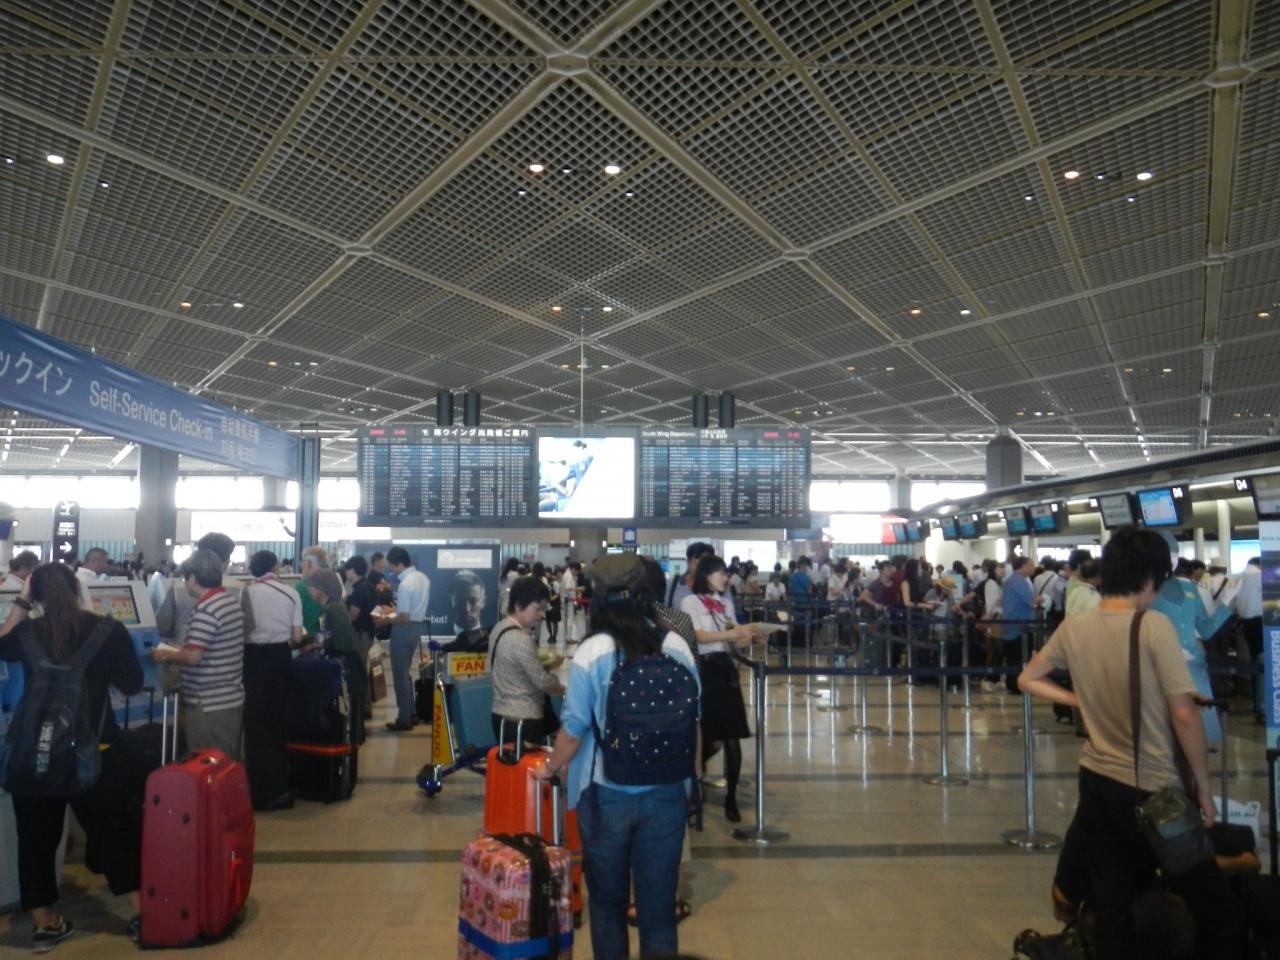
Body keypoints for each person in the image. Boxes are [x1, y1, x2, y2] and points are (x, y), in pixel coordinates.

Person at [1017, 527, 1242, 959]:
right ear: (1150, 578)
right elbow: (1183, 715)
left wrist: (1078, 700)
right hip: (1153, 787)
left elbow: (1028, 679)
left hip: (1096, 780)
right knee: (1216, 907)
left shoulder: (1076, 626)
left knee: (1112, 902)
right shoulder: (1152, 625)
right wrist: (1203, 788)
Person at [533, 555, 700, 960]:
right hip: (667, 793)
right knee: (658, 913)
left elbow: (573, 730)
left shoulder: (593, 651)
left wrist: (549, 768)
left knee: (607, 908)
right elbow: (693, 723)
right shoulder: (675, 645)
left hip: (605, 794)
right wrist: (691, 789)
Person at [0, 563, 145, 950]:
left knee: (36, 839)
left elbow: (1, 642)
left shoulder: (27, 632)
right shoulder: (108, 630)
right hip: (95, 751)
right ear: (78, 590)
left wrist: (21, 603)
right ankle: (141, 914)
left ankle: (45, 923)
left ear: (37, 597)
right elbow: (132, 684)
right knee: (113, 833)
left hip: (38, 753)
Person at [680, 555, 754, 823]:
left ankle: (731, 798)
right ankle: (692, 777)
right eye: (721, 573)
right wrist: (733, 633)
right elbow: (699, 636)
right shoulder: (690, 602)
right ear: (707, 575)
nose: (726, 578)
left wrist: (749, 636)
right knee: (711, 737)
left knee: (733, 735)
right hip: (705, 670)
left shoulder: (725, 603)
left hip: (725, 669)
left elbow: (734, 639)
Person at [152, 549, 245, 760]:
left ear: (193, 579)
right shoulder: (228, 601)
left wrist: (165, 655)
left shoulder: (206, 609)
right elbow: (212, 647)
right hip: (229, 697)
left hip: (208, 704)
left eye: (186, 578)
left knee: (208, 764)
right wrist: (181, 649)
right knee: (226, 763)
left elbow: (194, 658)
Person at [240, 549, 303, 811]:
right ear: (275, 567)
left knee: (255, 724)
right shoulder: (291, 593)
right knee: (277, 721)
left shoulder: (246, 592)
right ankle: (280, 788)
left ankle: (258, 791)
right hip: (280, 659)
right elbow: (297, 637)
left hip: (252, 660)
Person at [1152, 558, 1232, 745]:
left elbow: (1205, 629)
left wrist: (1226, 605)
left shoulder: (1186, 589)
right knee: (1182, 725)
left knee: (1190, 724)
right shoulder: (1148, 589)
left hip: (1184, 663)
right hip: (1174, 662)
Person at [488, 575, 562, 744]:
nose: (542, 614)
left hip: (500, 714)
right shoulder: (521, 638)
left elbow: (495, 668)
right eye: (538, 608)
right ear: (518, 605)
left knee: (508, 760)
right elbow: (542, 682)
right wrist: (558, 684)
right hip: (524, 718)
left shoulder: (498, 628)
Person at [305, 569, 367, 746]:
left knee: (348, 715)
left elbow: (343, 642)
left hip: (347, 668)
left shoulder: (334, 610)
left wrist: (319, 645)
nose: (309, 590)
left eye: (312, 586)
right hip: (345, 665)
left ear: (322, 588)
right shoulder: (331, 607)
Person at [156, 532, 236, 644]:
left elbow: (163, 627)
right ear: (226, 561)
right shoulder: (239, 588)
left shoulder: (178, 588)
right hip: (227, 653)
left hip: (183, 651)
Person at [381, 546, 428, 731]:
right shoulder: (422, 578)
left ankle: (404, 718)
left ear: (400, 564)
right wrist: (392, 610)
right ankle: (412, 712)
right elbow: (411, 609)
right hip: (416, 629)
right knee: (405, 672)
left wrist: (384, 619)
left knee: (399, 676)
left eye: (392, 566)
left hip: (403, 630)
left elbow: (404, 617)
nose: (391, 569)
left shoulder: (405, 585)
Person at [1000, 555, 1042, 693]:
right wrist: (1041, 599)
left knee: (1012, 658)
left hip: (1011, 625)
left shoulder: (1011, 580)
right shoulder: (1019, 582)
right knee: (1020, 657)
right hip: (1019, 627)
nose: (1033, 567)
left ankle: (1013, 684)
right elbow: (1031, 601)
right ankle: (1018, 686)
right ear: (1023, 566)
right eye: (1030, 565)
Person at [1233, 556, 1262, 721]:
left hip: (1246, 623)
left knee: (1255, 662)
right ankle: (1263, 704)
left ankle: (1258, 704)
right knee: (1264, 663)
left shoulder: (1238, 577)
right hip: (1260, 623)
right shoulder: (1259, 576)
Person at [294, 546, 329, 638]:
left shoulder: (301, 586)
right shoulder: (333, 583)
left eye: (302, 562)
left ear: (308, 564)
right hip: (326, 638)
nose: (301, 566)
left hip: (307, 638)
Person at [451, 568, 487, 639]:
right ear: (452, 600)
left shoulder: (490, 637)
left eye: (473, 601)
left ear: (483, 602)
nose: (467, 608)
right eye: (461, 600)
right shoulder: (438, 635)